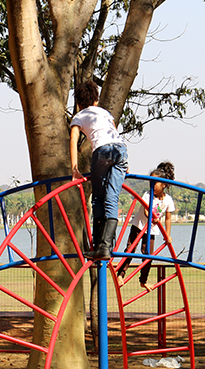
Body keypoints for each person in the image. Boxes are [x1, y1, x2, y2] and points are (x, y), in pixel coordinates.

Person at [69, 80, 129, 261]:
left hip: (102, 152)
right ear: (96, 100)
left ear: (79, 103)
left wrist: (74, 169)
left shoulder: (79, 116)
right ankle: (107, 245)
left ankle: (99, 244)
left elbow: (73, 140)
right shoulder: (105, 112)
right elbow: (114, 134)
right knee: (112, 198)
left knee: (98, 198)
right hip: (121, 151)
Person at [115, 162, 176, 292]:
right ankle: (120, 275)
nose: (152, 185)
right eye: (151, 181)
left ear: (164, 184)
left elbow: (168, 218)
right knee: (130, 249)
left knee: (148, 255)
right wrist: (153, 217)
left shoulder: (168, 200)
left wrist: (168, 234)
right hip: (139, 225)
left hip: (151, 230)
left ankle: (143, 281)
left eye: (156, 182)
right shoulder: (148, 194)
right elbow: (146, 211)